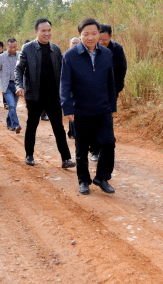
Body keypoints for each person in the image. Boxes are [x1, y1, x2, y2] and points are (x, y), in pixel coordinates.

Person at [60, 17, 117, 195]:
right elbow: (65, 85)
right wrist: (68, 109)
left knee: (109, 142)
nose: (90, 37)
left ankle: (102, 177)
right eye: (86, 34)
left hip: (103, 109)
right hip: (81, 110)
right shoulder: (70, 56)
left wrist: (112, 106)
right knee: (82, 148)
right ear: (79, 35)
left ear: (99, 34)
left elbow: (111, 82)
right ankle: (83, 180)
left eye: (94, 33)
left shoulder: (106, 54)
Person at [15, 18, 76, 169]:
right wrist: (19, 85)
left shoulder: (55, 49)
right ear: (36, 32)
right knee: (32, 125)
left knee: (58, 128)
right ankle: (29, 154)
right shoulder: (27, 48)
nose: (46, 33)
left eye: (49, 30)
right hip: (34, 96)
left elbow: (63, 72)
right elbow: (19, 69)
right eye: (43, 31)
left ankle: (66, 158)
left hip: (53, 96)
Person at [89, 25, 128, 162]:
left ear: (111, 37)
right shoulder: (92, 48)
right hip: (93, 92)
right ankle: (94, 150)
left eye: (105, 39)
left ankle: (105, 150)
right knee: (93, 121)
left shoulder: (117, 49)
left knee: (106, 121)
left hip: (111, 93)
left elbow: (122, 69)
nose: (102, 42)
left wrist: (117, 89)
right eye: (100, 39)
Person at [0, 38, 21, 133]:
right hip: (6, 85)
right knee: (12, 105)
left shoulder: (20, 56)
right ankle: (16, 124)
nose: (13, 49)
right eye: (11, 47)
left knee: (12, 106)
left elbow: (24, 70)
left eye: (15, 47)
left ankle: (9, 124)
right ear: (6, 46)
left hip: (17, 85)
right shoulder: (1, 57)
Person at [65, 36, 81, 140]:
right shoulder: (64, 56)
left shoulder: (84, 56)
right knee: (72, 110)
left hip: (81, 89)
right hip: (69, 88)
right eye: (73, 43)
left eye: (77, 43)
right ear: (69, 45)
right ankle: (74, 132)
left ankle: (74, 131)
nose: (75, 45)